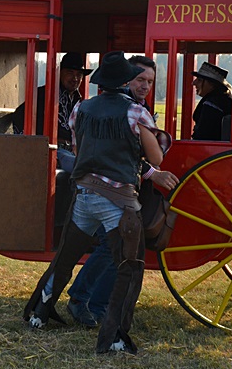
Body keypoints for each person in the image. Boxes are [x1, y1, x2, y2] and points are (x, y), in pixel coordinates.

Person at [23, 51, 169, 355]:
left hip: (84, 196)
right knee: (129, 266)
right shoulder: (135, 113)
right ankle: (113, 337)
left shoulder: (82, 107)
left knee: (65, 258)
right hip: (118, 201)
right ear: (126, 81)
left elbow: (79, 148)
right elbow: (156, 157)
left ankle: (39, 313)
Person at [60, 55, 177, 328]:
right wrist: (153, 172)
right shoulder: (128, 110)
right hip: (109, 190)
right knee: (116, 248)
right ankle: (84, 299)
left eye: (150, 81)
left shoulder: (136, 108)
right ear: (126, 80)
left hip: (116, 188)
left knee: (116, 249)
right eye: (140, 79)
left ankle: (87, 302)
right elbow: (116, 153)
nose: (145, 86)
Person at [11, 52, 92, 169]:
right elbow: (19, 116)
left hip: (72, 151)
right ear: (60, 73)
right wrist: (32, 148)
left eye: (79, 74)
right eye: (70, 73)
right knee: (83, 168)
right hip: (51, 151)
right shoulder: (44, 95)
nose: (75, 79)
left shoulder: (79, 101)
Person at [191, 61, 232, 140]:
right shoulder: (223, 100)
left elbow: (203, 137)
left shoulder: (212, 104)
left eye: (199, 80)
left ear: (211, 84)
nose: (194, 83)